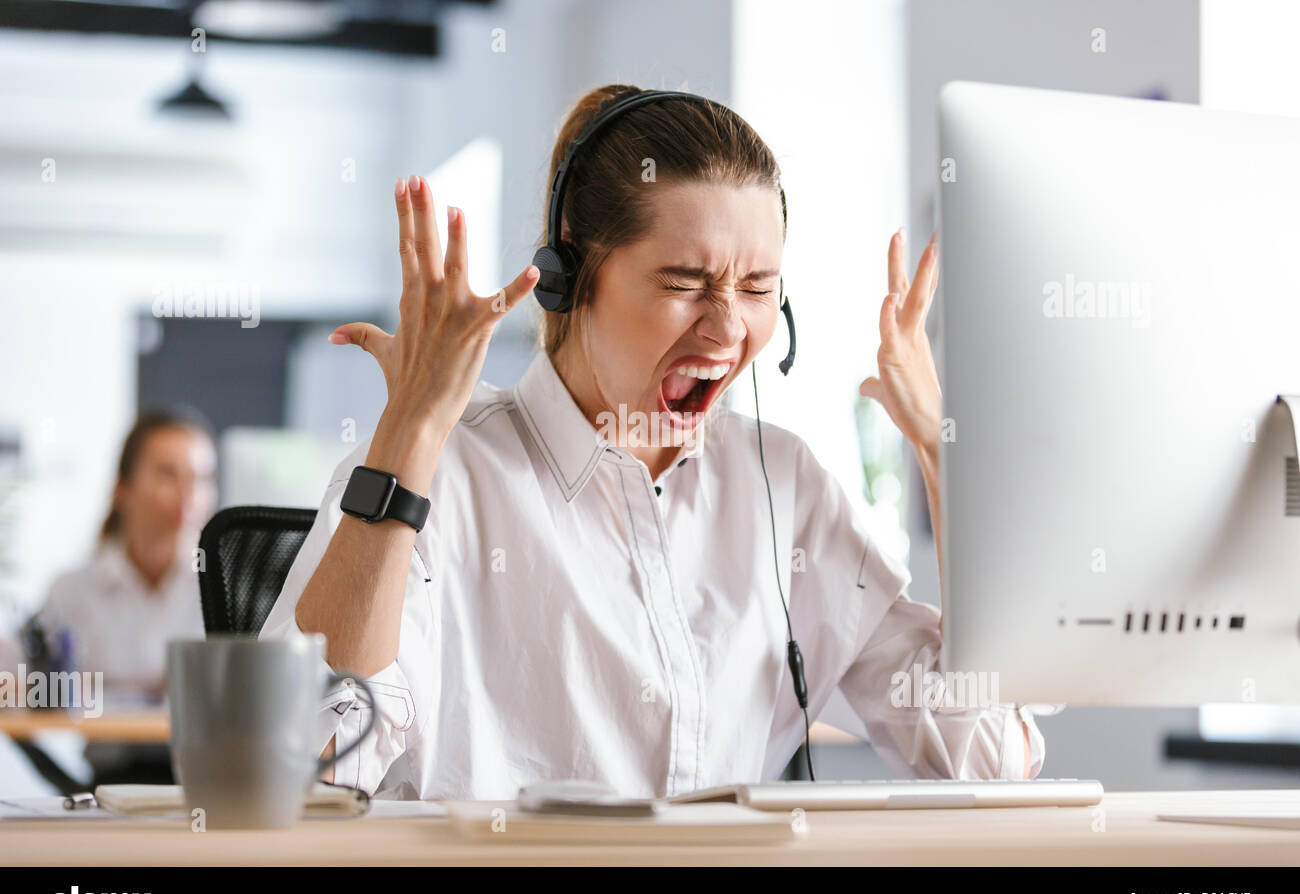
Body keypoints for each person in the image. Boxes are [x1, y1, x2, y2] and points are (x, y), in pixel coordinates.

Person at [262, 84, 1047, 799]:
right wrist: (409, 434)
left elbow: (990, 756)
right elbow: (299, 765)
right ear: (571, 275)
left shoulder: (783, 489)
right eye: (684, 284)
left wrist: (944, 456)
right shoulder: (444, 473)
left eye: (757, 287)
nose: (728, 327)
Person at [35, 408, 217, 705]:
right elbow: (19, 684)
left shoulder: (225, 591)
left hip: (204, 750)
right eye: (167, 474)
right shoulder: (70, 591)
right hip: (102, 748)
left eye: (201, 478)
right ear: (123, 489)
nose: (189, 493)